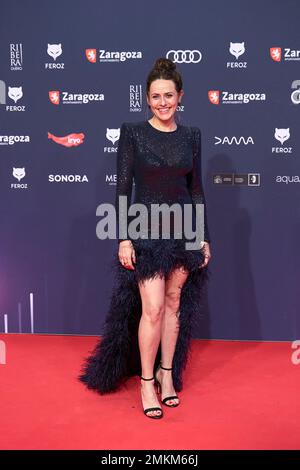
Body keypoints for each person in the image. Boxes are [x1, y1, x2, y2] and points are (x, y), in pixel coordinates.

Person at [79, 57, 212, 419]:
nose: (163, 102)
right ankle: (146, 381)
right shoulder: (133, 132)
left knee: (173, 304)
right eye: (156, 96)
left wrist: (203, 237)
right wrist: (123, 238)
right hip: (146, 230)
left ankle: (167, 377)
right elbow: (123, 189)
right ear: (147, 99)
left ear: (180, 96)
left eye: (169, 95)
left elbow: (196, 190)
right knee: (151, 309)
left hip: (184, 229)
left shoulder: (192, 136)